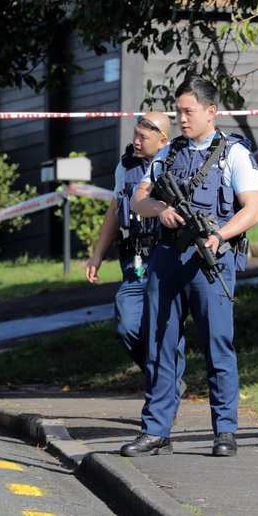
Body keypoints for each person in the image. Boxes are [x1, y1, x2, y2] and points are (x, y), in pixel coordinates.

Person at [121, 76, 258, 458]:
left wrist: (220, 236)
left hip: (211, 259)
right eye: (179, 111)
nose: (182, 119)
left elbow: (254, 208)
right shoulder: (168, 155)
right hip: (167, 258)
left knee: (218, 344)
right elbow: (139, 200)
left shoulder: (234, 153)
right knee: (159, 344)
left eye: (189, 112)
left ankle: (225, 431)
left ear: (211, 111)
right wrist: (162, 210)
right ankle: (155, 430)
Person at [85, 111, 180, 372]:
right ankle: (161, 380)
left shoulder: (177, 162)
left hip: (168, 257)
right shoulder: (126, 166)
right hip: (135, 260)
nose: (136, 141)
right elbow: (115, 211)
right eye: (135, 134)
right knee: (127, 325)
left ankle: (163, 393)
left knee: (164, 331)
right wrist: (97, 255)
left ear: (162, 141)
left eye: (143, 137)